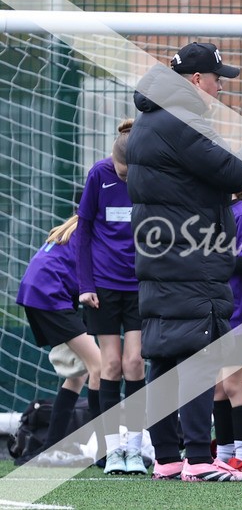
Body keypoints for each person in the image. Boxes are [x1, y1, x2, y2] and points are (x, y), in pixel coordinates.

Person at [126, 41, 242, 482]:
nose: (220, 88)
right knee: (197, 354)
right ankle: (197, 458)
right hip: (191, 257)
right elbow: (236, 175)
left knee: (162, 355)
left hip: (161, 256)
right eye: (218, 79)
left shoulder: (150, 120)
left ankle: (168, 457)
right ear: (197, 80)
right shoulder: (180, 121)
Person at [75, 119, 147, 475]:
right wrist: (85, 284)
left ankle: (134, 449)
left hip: (139, 286)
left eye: (129, 173)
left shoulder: (148, 178)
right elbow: (83, 230)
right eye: (121, 172)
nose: (124, 178)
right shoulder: (98, 175)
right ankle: (111, 451)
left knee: (135, 363)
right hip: (103, 288)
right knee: (111, 365)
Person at [16, 215, 102, 463]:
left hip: (39, 291)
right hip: (49, 294)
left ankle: (52, 444)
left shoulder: (77, 224)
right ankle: (106, 451)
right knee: (99, 367)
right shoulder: (98, 228)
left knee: (79, 373)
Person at [212, 184, 242, 479]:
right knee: (218, 388)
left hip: (239, 316)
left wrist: (211, 256)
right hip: (218, 314)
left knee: (233, 385)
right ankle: (224, 454)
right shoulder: (219, 213)